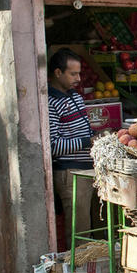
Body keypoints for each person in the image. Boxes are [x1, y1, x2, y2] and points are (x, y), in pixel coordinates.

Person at [48, 48, 95, 249]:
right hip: (71, 173)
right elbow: (53, 145)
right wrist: (87, 142)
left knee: (96, 225)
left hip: (89, 169)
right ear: (58, 73)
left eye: (79, 73)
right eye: (73, 74)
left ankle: (98, 271)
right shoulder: (50, 102)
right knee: (80, 231)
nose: (78, 78)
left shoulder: (74, 96)